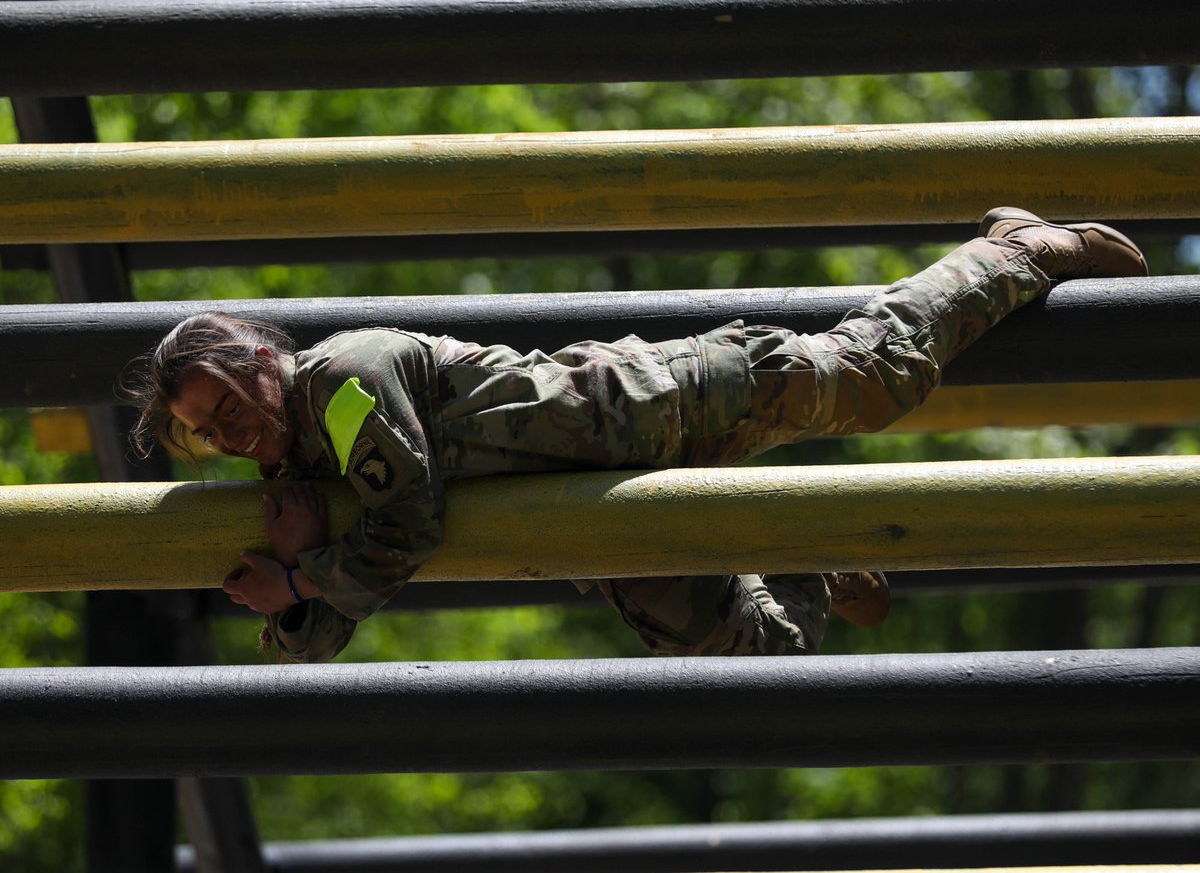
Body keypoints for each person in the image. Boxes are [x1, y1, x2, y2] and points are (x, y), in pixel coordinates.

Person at [127, 207, 1147, 663]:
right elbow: (317, 644)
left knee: (874, 377)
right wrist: (302, 590)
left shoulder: (343, 383)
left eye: (229, 402)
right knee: (760, 656)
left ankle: (1010, 252)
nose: (233, 433)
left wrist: (304, 579)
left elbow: (409, 527)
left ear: (264, 357)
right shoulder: (308, 476)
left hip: (658, 405)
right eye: (210, 434)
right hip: (608, 518)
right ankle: (805, 557)